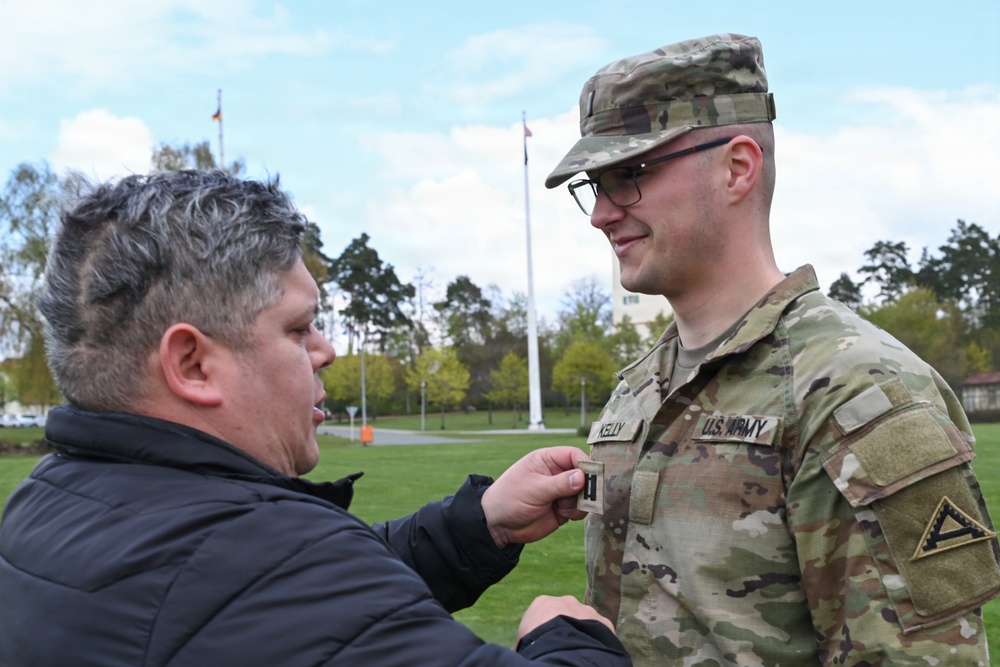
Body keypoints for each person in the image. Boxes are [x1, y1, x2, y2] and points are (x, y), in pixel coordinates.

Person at [0, 170, 631, 666]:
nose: (327, 350)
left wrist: (480, 523)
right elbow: (280, 584)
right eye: (299, 328)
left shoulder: (46, 501)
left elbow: (286, 606)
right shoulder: (260, 557)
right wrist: (570, 640)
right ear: (192, 363)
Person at [545, 33, 1000, 665]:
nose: (600, 214)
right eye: (594, 185)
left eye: (630, 175)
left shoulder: (856, 390)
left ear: (737, 167)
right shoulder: (641, 388)